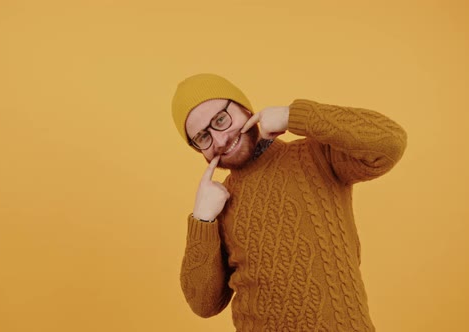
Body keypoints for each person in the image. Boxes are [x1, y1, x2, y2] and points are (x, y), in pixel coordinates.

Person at [171, 73, 407, 332]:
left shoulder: (314, 156)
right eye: (203, 137)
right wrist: (202, 219)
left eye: (220, 120)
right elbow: (204, 304)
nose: (219, 140)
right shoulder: (218, 203)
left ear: (244, 108)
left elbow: (390, 142)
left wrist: (295, 116)